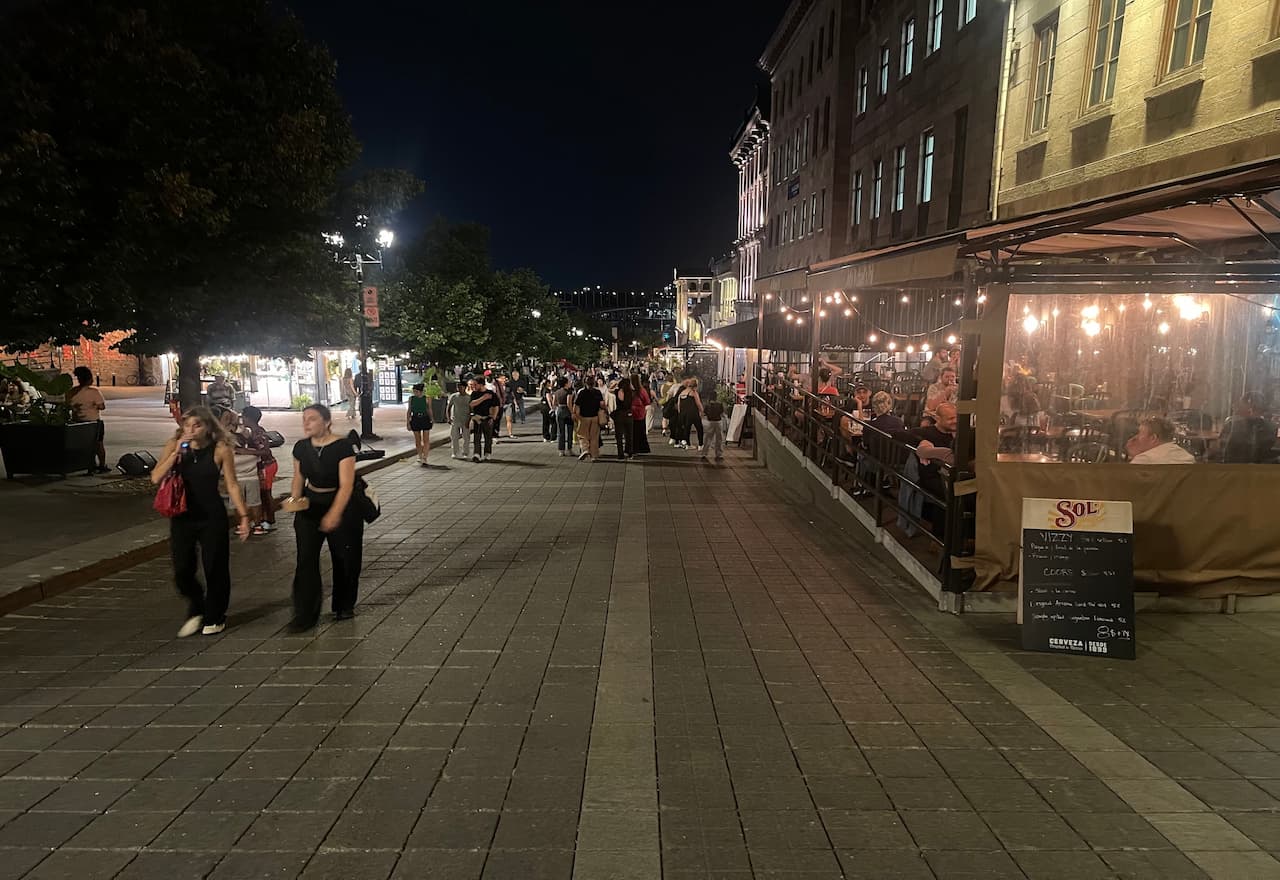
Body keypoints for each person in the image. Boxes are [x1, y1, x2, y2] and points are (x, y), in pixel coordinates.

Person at [151, 406, 250, 637]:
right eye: (187, 425)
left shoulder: (220, 449)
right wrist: (176, 453)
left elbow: (232, 483)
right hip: (182, 515)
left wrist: (243, 516)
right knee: (182, 570)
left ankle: (215, 615)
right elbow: (156, 477)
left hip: (211, 514)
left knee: (215, 566)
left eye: (197, 425)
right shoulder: (174, 445)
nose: (191, 430)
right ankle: (197, 602)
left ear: (208, 427)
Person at [286, 404, 363, 629]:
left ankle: (343, 605)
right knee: (305, 560)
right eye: (304, 419)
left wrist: (334, 514)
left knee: (345, 558)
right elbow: (298, 478)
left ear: (327, 422)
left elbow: (346, 485)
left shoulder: (343, 447)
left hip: (341, 504)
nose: (306, 423)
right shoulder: (301, 448)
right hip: (311, 504)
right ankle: (305, 613)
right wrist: (295, 501)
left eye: (312, 419)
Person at [219, 407, 264, 533]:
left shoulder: (243, 431)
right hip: (241, 473)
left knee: (252, 501)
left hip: (245, 473)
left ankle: (253, 525)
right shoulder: (228, 433)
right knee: (245, 501)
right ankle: (250, 525)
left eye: (228, 417)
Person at [240, 405, 277, 534]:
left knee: (266, 494)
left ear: (248, 418)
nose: (242, 419)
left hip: (267, 465)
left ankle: (269, 520)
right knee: (262, 493)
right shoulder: (252, 431)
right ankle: (264, 520)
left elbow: (265, 451)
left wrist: (245, 451)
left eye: (243, 416)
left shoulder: (258, 432)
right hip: (264, 466)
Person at [67, 366, 108, 473]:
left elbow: (68, 405)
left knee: (84, 445)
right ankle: (102, 465)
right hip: (93, 421)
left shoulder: (72, 392)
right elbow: (102, 407)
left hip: (78, 422)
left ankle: (89, 465)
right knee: (98, 444)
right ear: (89, 379)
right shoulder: (94, 392)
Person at [1220, 392, 1276, 463]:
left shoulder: (1231, 424)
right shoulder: (1272, 427)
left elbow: (1222, 449)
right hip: (1257, 469)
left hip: (1234, 468)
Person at [1126, 416, 1195, 464]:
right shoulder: (1188, 458)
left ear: (1153, 438)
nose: (1136, 437)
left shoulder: (1144, 459)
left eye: (1140, 433)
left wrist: (1134, 457)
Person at [573, 376, 605, 462]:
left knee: (582, 435)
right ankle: (594, 455)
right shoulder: (598, 392)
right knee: (594, 437)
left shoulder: (581, 392)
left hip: (584, 417)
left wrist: (576, 415)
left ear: (584, 383)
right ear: (594, 383)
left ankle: (585, 449)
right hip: (595, 417)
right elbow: (602, 404)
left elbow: (577, 406)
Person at [469, 377, 499, 462]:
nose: (474, 386)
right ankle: (477, 454)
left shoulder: (491, 393)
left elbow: (496, 406)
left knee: (488, 437)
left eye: (475, 384)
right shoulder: (474, 394)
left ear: (481, 384)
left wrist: (493, 417)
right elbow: (471, 404)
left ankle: (487, 453)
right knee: (477, 437)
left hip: (488, 417)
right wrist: (483, 398)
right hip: (477, 418)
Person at [406, 382, 433, 466]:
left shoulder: (427, 398)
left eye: (416, 391)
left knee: (426, 439)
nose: (415, 393)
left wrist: (432, 419)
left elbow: (429, 409)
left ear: (421, 391)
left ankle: (425, 457)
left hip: (425, 418)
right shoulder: (411, 399)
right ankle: (420, 455)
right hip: (415, 418)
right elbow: (409, 410)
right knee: (417, 439)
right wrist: (408, 422)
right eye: (414, 391)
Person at [676, 378, 705, 450]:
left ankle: (688, 444)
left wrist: (680, 413)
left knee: (687, 429)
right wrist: (702, 411)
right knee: (699, 428)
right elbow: (698, 403)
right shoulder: (693, 392)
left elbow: (679, 405)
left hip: (683, 414)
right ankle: (700, 445)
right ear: (695, 385)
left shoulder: (682, 393)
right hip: (693, 413)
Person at [448, 380, 473, 460]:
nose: (459, 388)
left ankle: (466, 452)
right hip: (455, 419)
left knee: (466, 437)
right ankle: (455, 452)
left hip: (465, 419)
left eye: (461, 387)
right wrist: (448, 418)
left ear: (465, 388)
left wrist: (469, 420)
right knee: (454, 437)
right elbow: (448, 407)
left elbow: (471, 410)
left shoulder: (469, 397)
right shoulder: (454, 396)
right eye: (458, 387)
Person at [611, 378, 633, 460]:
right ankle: (630, 452)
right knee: (629, 435)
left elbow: (609, 390)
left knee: (619, 436)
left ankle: (620, 454)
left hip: (619, 415)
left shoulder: (617, 391)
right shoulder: (631, 392)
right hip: (629, 414)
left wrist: (616, 383)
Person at [630, 374, 651, 456]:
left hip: (631, 413)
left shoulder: (629, 390)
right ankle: (641, 448)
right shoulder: (642, 390)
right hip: (640, 413)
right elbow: (647, 401)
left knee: (632, 432)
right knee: (640, 431)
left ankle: (633, 448)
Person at [702, 390, 725, 462]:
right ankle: (719, 454)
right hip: (718, 422)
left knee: (708, 438)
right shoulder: (719, 404)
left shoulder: (707, 405)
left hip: (710, 422)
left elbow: (705, 412)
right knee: (719, 438)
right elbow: (721, 412)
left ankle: (704, 453)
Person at [553, 377, 574, 456]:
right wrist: (572, 412)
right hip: (567, 411)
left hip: (559, 410)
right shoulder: (569, 392)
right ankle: (569, 449)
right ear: (565, 383)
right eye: (568, 382)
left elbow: (554, 402)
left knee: (561, 431)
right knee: (569, 431)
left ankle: (561, 450)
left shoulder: (557, 392)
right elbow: (569, 403)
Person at [539, 378, 555, 442]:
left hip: (543, 407)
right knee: (553, 422)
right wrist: (551, 408)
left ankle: (545, 436)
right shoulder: (547, 390)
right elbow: (549, 399)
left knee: (545, 422)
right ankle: (552, 437)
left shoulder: (543, 389)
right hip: (547, 407)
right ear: (548, 383)